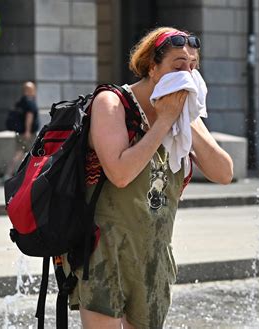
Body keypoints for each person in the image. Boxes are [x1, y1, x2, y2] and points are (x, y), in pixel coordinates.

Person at [62, 27, 233, 328]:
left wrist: (185, 118)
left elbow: (223, 172)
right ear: (153, 68)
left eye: (193, 68)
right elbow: (121, 174)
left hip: (153, 254)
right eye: (178, 67)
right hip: (104, 250)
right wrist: (163, 120)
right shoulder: (112, 104)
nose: (187, 76)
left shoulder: (184, 118)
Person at [3, 81, 39, 180]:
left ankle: (8, 174)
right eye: (33, 89)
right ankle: (32, 175)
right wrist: (28, 131)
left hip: (19, 132)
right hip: (28, 134)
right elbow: (29, 117)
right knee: (35, 153)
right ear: (30, 91)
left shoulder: (20, 102)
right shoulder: (30, 102)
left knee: (18, 153)